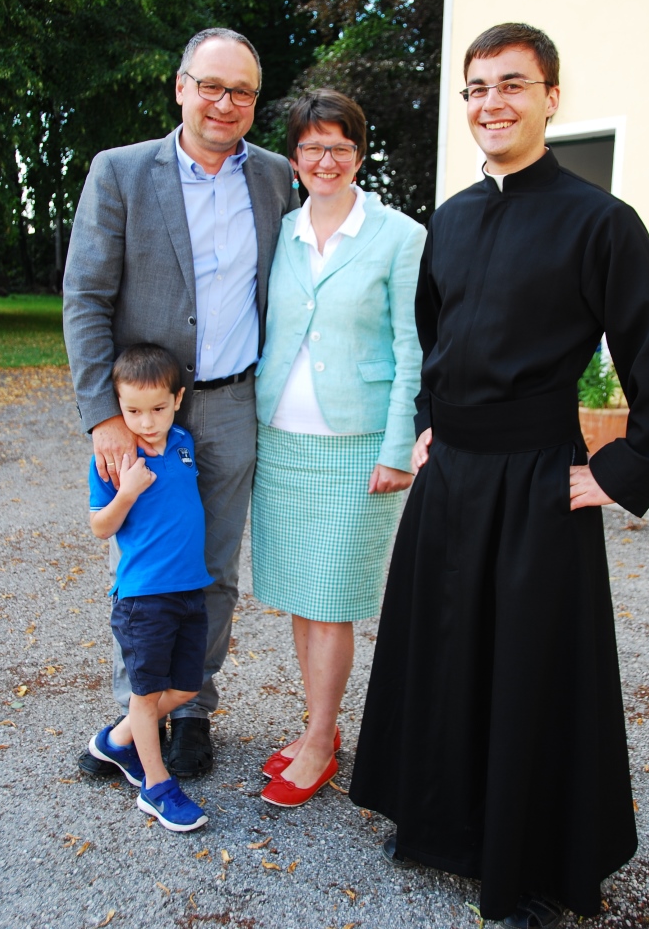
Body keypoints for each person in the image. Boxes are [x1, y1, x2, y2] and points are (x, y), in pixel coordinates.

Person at [349, 23, 649, 927]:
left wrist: (621, 468)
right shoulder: (450, 219)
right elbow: (434, 338)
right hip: (449, 475)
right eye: (476, 88)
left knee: (528, 669)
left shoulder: (599, 222)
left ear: (550, 98)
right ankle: (436, 824)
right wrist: (426, 424)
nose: (490, 102)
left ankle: (529, 867)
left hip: (537, 480)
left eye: (510, 84)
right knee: (443, 646)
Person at [63, 27, 298, 779]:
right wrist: (105, 416)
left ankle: (191, 705)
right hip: (142, 412)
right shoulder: (121, 172)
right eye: (211, 86)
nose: (225, 103)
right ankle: (137, 714)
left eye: (242, 92)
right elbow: (85, 296)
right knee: (142, 566)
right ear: (180, 87)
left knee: (213, 568)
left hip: (231, 404)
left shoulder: (275, 177)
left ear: (255, 102)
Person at [250, 89, 426, 807]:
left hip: (358, 447)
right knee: (301, 594)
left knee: (331, 600)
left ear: (359, 153)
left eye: (340, 147)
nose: (326, 160)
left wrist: (397, 447)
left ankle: (321, 744)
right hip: (280, 440)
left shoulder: (400, 236)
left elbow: (413, 349)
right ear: (294, 158)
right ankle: (315, 725)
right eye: (312, 147)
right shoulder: (280, 231)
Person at [87, 344, 210, 832]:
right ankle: (156, 787)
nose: (146, 421)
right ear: (118, 406)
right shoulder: (117, 458)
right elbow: (100, 526)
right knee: (146, 694)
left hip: (190, 590)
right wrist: (127, 491)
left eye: (158, 408)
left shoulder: (182, 441)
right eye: (133, 411)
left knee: (187, 687)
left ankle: (117, 742)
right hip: (144, 598)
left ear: (177, 399)